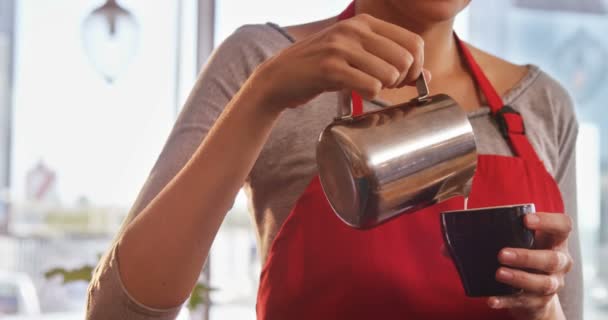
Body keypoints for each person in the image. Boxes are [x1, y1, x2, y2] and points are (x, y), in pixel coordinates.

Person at [86, 1, 583, 319]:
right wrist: (264, 96)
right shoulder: (262, 63)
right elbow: (117, 313)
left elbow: (568, 310)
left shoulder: (541, 104)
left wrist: (541, 308)